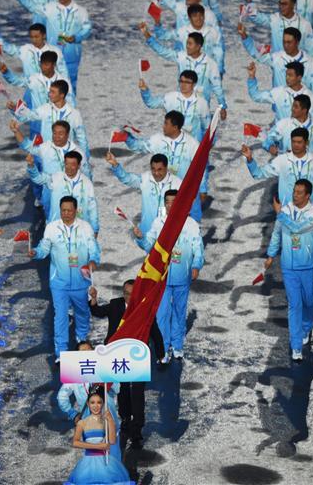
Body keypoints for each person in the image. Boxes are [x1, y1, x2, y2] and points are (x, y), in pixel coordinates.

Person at [89, 280, 165, 450]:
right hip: (118, 354)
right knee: (123, 389)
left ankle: (137, 429)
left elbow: (154, 331)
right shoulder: (115, 305)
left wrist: (161, 354)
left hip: (138, 357)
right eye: (126, 293)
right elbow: (97, 312)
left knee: (137, 392)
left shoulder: (143, 308)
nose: (129, 297)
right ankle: (125, 419)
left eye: (132, 294)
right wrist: (93, 298)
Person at [132, 190, 204, 359]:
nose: (171, 205)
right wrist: (141, 238)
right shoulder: (159, 223)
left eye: (174, 201)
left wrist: (196, 265)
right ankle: (163, 348)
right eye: (168, 202)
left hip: (182, 276)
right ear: (164, 204)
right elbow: (149, 245)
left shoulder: (191, 224)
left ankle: (177, 345)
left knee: (179, 311)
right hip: (162, 277)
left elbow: (198, 248)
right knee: (162, 313)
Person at [29, 196, 100, 362]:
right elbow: (44, 248)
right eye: (63, 210)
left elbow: (94, 249)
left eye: (69, 210)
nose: (66, 213)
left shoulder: (85, 227)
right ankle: (61, 353)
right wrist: (36, 252)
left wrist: (93, 260)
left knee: (82, 314)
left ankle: (81, 341)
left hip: (81, 282)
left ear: (76, 210)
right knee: (60, 317)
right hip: (59, 283)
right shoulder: (52, 228)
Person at [263, 180, 313, 362]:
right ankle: (296, 347)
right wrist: (271, 254)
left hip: (307, 266)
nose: (295, 195)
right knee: (294, 305)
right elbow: (277, 233)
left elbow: (297, 229)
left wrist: (280, 213)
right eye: (294, 191)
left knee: (308, 302)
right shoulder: (286, 210)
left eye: (299, 192)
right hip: (288, 267)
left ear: (307, 195)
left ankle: (306, 327)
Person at [11, 0, 91, 93]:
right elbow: (32, 6)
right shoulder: (50, 8)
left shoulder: (81, 11)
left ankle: (70, 104)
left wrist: (76, 37)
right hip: (52, 55)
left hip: (72, 54)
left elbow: (87, 29)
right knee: (50, 85)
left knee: (70, 85)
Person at [241, 128, 313, 226]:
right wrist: (249, 158)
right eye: (293, 142)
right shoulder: (282, 160)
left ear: (306, 143)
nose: (296, 145)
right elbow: (258, 174)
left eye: (299, 142)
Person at [124, 110, 205, 219]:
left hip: (185, 193)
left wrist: (203, 189)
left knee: (188, 222)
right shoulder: (158, 139)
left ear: (175, 127)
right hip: (164, 193)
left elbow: (201, 167)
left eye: (166, 124)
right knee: (162, 222)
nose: (163, 126)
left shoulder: (192, 144)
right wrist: (126, 138)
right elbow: (140, 146)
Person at [140, 23, 227, 113]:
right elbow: (163, 51)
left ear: (198, 46)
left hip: (201, 109)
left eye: (190, 44)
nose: (187, 46)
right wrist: (147, 36)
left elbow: (217, 87)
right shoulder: (181, 56)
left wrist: (222, 107)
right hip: (182, 106)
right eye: (187, 43)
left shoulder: (211, 64)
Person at [57, 342, 122, 460]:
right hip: (89, 420)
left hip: (109, 414)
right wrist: (72, 414)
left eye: (89, 351)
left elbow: (117, 389)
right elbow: (61, 396)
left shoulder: (103, 370)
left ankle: (114, 469)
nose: (87, 354)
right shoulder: (73, 375)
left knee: (113, 447)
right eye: (83, 352)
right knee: (94, 452)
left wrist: (109, 380)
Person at [65, 388, 133, 485]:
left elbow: (112, 441)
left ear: (103, 404)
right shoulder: (82, 423)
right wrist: (98, 446)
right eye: (92, 402)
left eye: (99, 402)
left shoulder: (107, 422)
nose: (95, 406)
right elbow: (75, 442)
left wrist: (110, 420)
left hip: (106, 462)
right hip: (87, 464)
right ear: (88, 404)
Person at [105, 152, 181, 235]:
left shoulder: (178, 184)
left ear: (166, 168)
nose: (156, 173)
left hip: (168, 233)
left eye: (160, 169)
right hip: (146, 232)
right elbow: (127, 178)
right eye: (153, 169)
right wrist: (115, 164)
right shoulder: (145, 179)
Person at [26, 152, 99, 235]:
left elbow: (92, 207)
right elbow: (38, 179)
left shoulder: (87, 183)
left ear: (79, 165)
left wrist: (95, 229)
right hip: (57, 229)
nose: (69, 167)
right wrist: (31, 166)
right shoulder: (55, 178)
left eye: (72, 164)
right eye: (67, 164)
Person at [9, 80, 88, 156]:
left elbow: (81, 138)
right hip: (48, 155)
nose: (49, 94)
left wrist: (84, 157)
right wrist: (15, 109)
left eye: (53, 92)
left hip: (67, 156)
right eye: (50, 91)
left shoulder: (74, 114)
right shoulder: (45, 109)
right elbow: (29, 115)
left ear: (62, 95)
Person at [239, 24, 313, 94]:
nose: (286, 45)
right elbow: (256, 53)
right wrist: (244, 35)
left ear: (297, 42)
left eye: (289, 42)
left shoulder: (311, 64)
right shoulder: (276, 58)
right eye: (284, 42)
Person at [242, 0, 313, 57]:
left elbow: (310, 50)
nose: (281, 7)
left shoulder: (305, 24)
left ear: (293, 5)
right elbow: (256, 17)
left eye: (285, 4)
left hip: (297, 65)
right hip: (278, 63)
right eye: (280, 3)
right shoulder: (274, 19)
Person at [139, 70, 211, 141]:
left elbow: (207, 128)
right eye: (181, 81)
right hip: (171, 142)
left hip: (193, 144)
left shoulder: (202, 103)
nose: (183, 85)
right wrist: (144, 90)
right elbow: (151, 103)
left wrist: (203, 144)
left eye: (187, 82)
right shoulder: (170, 97)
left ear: (194, 84)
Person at [246, 60, 313, 123]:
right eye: (286, 75)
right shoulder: (278, 92)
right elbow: (256, 96)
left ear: (299, 77)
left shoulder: (312, 98)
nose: (287, 78)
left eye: (290, 75)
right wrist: (251, 77)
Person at [153, 5, 224, 74]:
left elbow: (219, 52)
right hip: (188, 74)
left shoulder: (213, 32)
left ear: (204, 16)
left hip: (207, 73)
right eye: (195, 16)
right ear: (189, 18)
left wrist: (219, 70)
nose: (198, 18)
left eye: (201, 15)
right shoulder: (182, 32)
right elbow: (162, 36)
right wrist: (157, 21)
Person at [263, 95, 313, 163]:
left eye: (296, 107)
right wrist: (270, 147)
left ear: (304, 110)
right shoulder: (282, 124)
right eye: (292, 106)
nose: (292, 109)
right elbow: (267, 140)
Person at [0, 22, 68, 79]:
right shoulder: (26, 50)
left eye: (36, 37)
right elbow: (9, 48)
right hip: (31, 92)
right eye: (31, 37)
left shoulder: (55, 51)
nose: (34, 40)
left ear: (44, 36)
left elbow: (64, 74)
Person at [0, 50, 76, 109]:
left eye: (46, 65)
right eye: (41, 64)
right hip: (37, 121)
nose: (43, 67)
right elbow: (17, 81)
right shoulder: (34, 79)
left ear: (54, 65)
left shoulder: (64, 81)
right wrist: (6, 73)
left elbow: (71, 103)